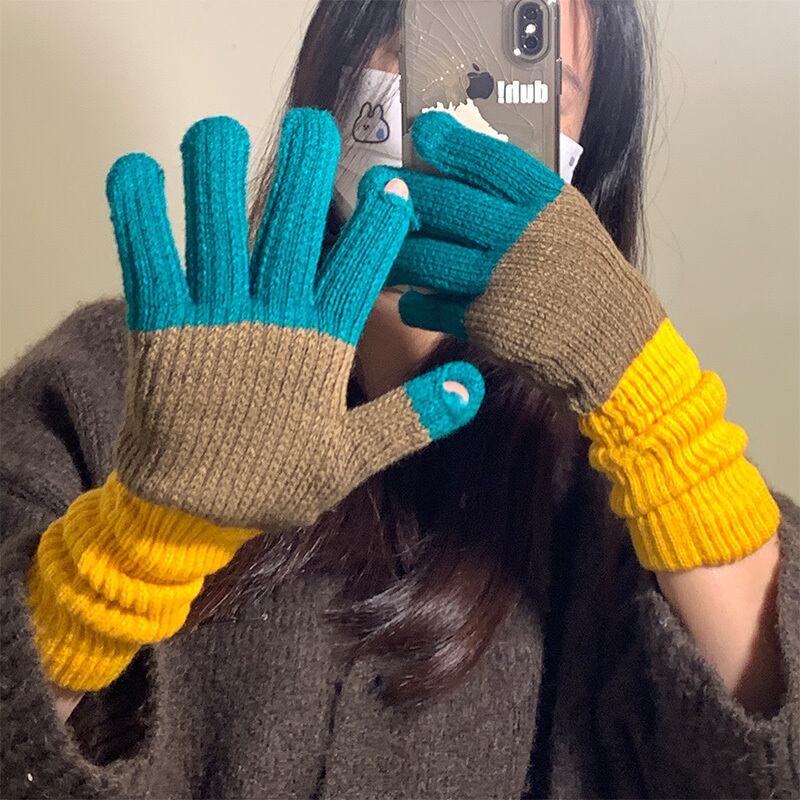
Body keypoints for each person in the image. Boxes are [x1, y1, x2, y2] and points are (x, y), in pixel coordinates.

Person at [1, 0, 798, 797]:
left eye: (531, 79)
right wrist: (133, 551)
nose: (459, 109)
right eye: (418, 50)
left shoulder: (617, 480)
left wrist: (657, 411)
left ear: (584, 160)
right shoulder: (110, 381)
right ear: (338, 69)